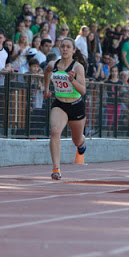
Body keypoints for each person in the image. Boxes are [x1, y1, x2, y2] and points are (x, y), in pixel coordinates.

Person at [43, 37, 88, 180]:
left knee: (77, 140)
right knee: (55, 132)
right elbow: (47, 71)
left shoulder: (77, 67)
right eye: (63, 46)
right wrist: (46, 88)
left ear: (74, 50)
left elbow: (83, 91)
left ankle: (82, 142)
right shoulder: (53, 64)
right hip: (60, 103)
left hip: (75, 105)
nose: (65, 49)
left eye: (68, 47)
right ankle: (56, 169)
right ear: (59, 48)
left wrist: (72, 81)